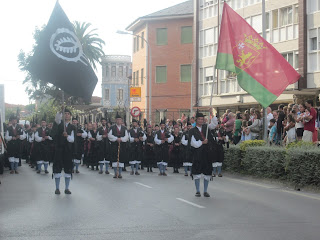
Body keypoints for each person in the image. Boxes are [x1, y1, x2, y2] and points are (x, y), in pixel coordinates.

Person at [189, 110, 215, 197]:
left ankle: (205, 191)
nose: (201, 120)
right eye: (199, 119)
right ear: (196, 120)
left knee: (207, 172)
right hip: (197, 154)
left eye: (202, 119)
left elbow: (214, 125)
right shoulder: (192, 131)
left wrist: (212, 114)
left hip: (207, 154)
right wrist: (202, 142)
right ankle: (197, 190)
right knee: (197, 173)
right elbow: (193, 143)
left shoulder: (206, 128)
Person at [51, 109, 76, 195]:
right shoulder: (59, 124)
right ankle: (57, 188)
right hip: (59, 149)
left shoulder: (73, 127)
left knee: (68, 169)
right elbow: (57, 119)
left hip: (68, 150)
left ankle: (67, 188)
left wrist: (67, 136)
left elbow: (72, 139)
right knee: (57, 168)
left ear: (70, 116)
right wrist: (60, 111)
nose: (66, 115)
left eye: (68, 114)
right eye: (65, 113)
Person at [108, 113, 129, 178]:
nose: (118, 121)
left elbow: (126, 136)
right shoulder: (112, 127)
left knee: (121, 160)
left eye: (120, 120)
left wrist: (121, 139)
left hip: (122, 146)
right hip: (114, 145)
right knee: (115, 159)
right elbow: (109, 136)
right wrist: (116, 139)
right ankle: (115, 173)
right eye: (117, 120)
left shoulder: (124, 128)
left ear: (121, 120)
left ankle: (120, 173)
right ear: (115, 120)